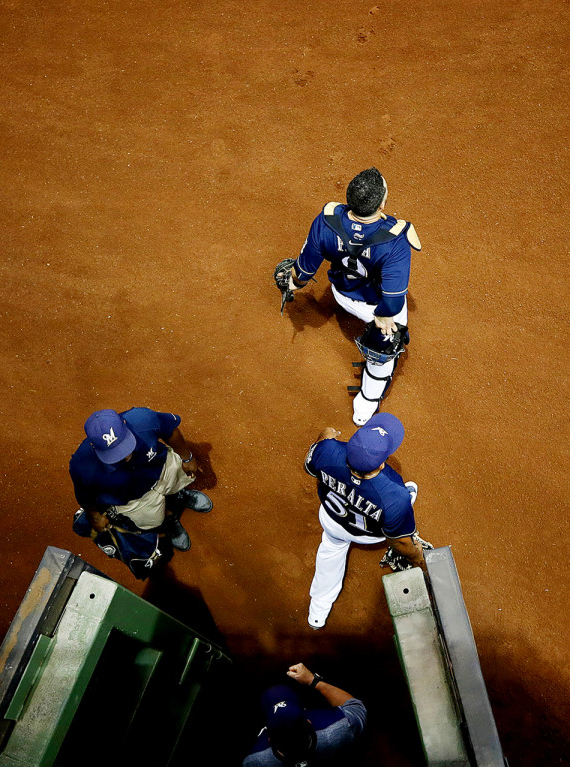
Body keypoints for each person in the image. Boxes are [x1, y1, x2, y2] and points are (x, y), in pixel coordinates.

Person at [282, 167, 422, 425]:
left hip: (341, 294)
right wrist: (383, 320)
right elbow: (392, 301)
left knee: (384, 331)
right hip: (377, 306)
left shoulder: (326, 220)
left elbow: (303, 270)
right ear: (382, 203)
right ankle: (366, 404)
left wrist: (292, 282)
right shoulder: (395, 240)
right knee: (385, 346)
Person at [303, 412, 430, 629]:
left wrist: (325, 437)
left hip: (333, 520)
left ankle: (318, 611)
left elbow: (311, 467)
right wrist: (419, 556)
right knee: (401, 500)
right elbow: (400, 543)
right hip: (369, 534)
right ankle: (407, 501)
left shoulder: (327, 451)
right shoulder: (394, 494)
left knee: (330, 553)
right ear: (381, 465)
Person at [69, 407, 212, 552]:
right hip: (134, 499)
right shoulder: (82, 466)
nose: (125, 456)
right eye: (113, 453)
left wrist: (187, 457)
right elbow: (85, 496)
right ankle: (168, 520)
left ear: (125, 424)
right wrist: (94, 515)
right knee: (154, 519)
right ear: (93, 447)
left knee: (177, 478)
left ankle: (178, 496)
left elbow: (170, 431)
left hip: (161, 470)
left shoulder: (143, 419)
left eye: (123, 444)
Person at [243, 663, 367, 767]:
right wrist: (312, 681)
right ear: (309, 721)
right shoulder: (339, 730)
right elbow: (355, 706)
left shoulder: (255, 761)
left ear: (269, 739)